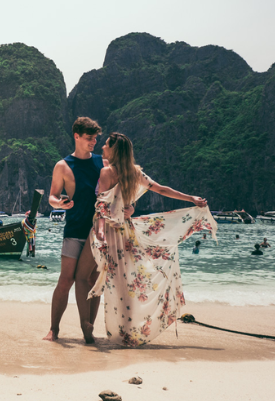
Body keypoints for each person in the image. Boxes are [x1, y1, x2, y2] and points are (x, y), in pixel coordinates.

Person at [78, 132, 214, 347]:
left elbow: (102, 206)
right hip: (125, 232)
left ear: (114, 150)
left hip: (106, 229)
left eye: (106, 145)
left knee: (85, 276)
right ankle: (127, 333)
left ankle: (88, 324)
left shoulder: (107, 172)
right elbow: (161, 189)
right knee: (124, 283)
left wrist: (101, 232)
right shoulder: (134, 172)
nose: (103, 147)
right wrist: (191, 198)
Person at [43, 117, 133, 342]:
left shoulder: (103, 163)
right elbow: (52, 196)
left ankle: (88, 330)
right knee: (66, 280)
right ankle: (54, 329)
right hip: (74, 230)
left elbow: (120, 190)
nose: (94, 142)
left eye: (95, 138)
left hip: (100, 232)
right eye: (89, 138)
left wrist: (129, 207)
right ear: (76, 136)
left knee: (93, 281)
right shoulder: (63, 166)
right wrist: (59, 203)